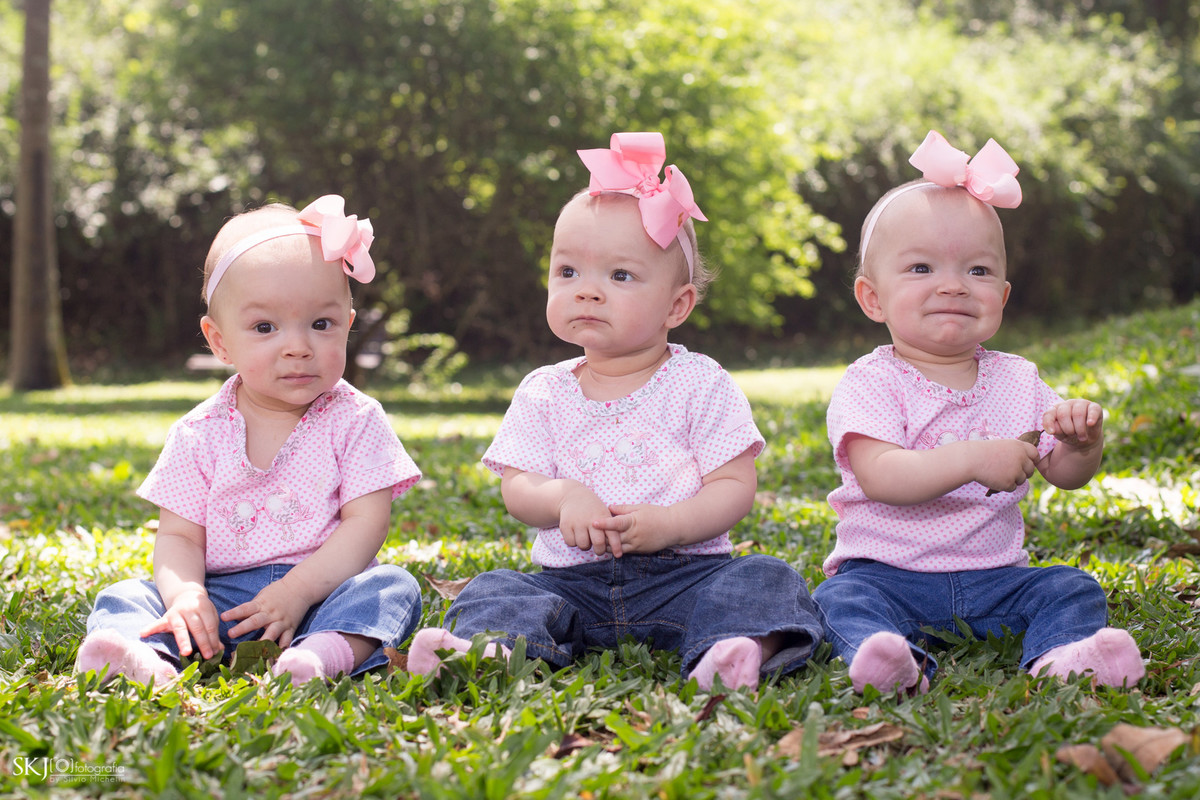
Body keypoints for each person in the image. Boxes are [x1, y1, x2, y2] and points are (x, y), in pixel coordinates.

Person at [407, 132, 821, 690]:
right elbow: (518, 485)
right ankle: (495, 655)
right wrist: (564, 497)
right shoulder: (544, 390)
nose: (587, 291)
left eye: (619, 276)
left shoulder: (700, 381)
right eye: (568, 272)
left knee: (764, 577)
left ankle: (731, 651)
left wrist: (671, 524)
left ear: (677, 305)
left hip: (687, 577)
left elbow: (733, 486)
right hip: (570, 584)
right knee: (498, 587)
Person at [812, 131, 1145, 695]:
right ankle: (893, 664)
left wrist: (1081, 445)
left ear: (1004, 296)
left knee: (1071, 586)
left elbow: (1062, 474)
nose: (952, 286)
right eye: (920, 269)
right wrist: (970, 458)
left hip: (998, 578)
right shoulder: (870, 381)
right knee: (836, 601)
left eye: (978, 271)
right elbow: (880, 476)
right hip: (886, 576)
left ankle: (1061, 657)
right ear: (873, 298)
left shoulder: (1018, 378)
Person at [76, 195, 423, 686]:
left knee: (392, 587)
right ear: (220, 342)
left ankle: (319, 657)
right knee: (126, 594)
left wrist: (298, 591)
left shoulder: (357, 419)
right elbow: (178, 536)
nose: (298, 346)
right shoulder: (198, 432)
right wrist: (186, 596)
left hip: (320, 597)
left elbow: (366, 525)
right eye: (265, 327)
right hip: (220, 603)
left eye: (321, 324)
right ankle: (140, 657)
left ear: (347, 324)